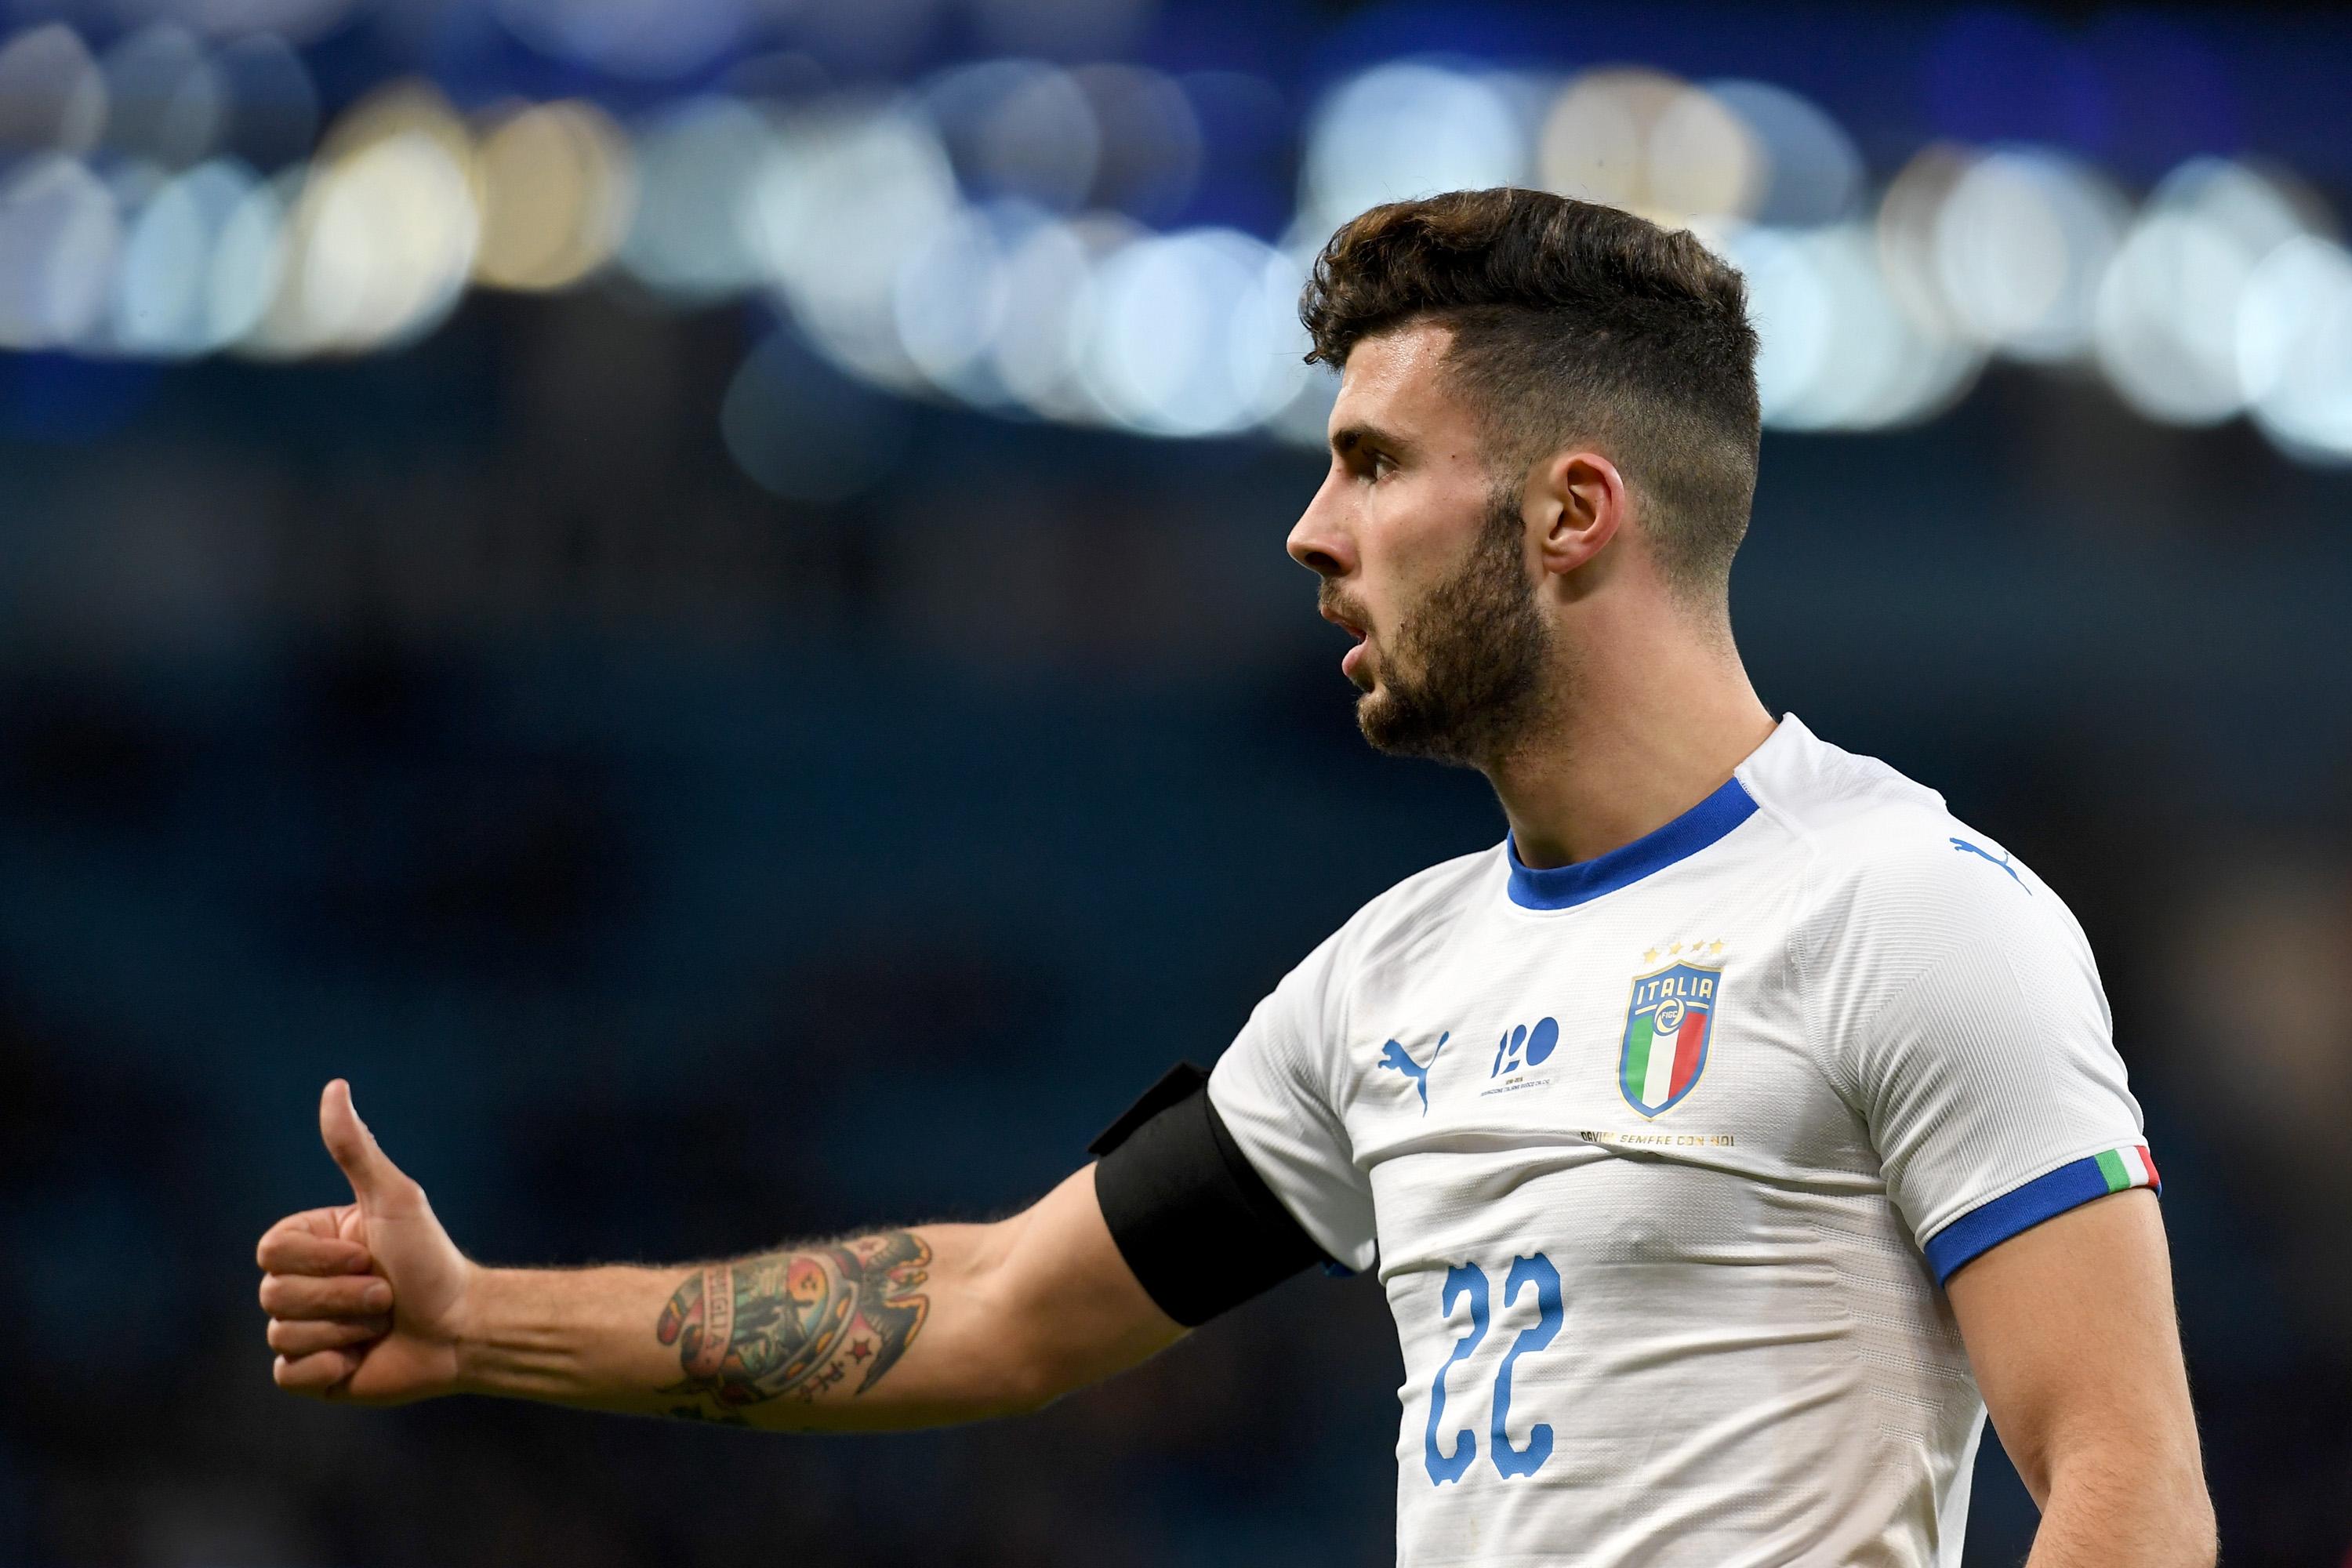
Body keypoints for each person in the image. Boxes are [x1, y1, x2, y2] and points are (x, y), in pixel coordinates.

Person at [256, 188, 2216, 1566]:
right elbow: (1001, 1306)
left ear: (1571, 513)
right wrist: (483, 1317)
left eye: (1370, 464)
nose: (1307, 529)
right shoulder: (1391, 982)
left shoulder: (1909, 909)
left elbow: (2130, 1491)